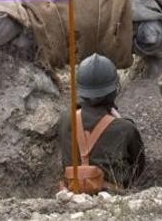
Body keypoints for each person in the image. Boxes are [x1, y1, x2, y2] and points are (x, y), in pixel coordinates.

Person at [58, 54, 146, 189]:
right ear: (114, 90)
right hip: (112, 197)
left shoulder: (65, 119)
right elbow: (138, 168)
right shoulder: (125, 128)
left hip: (71, 194)